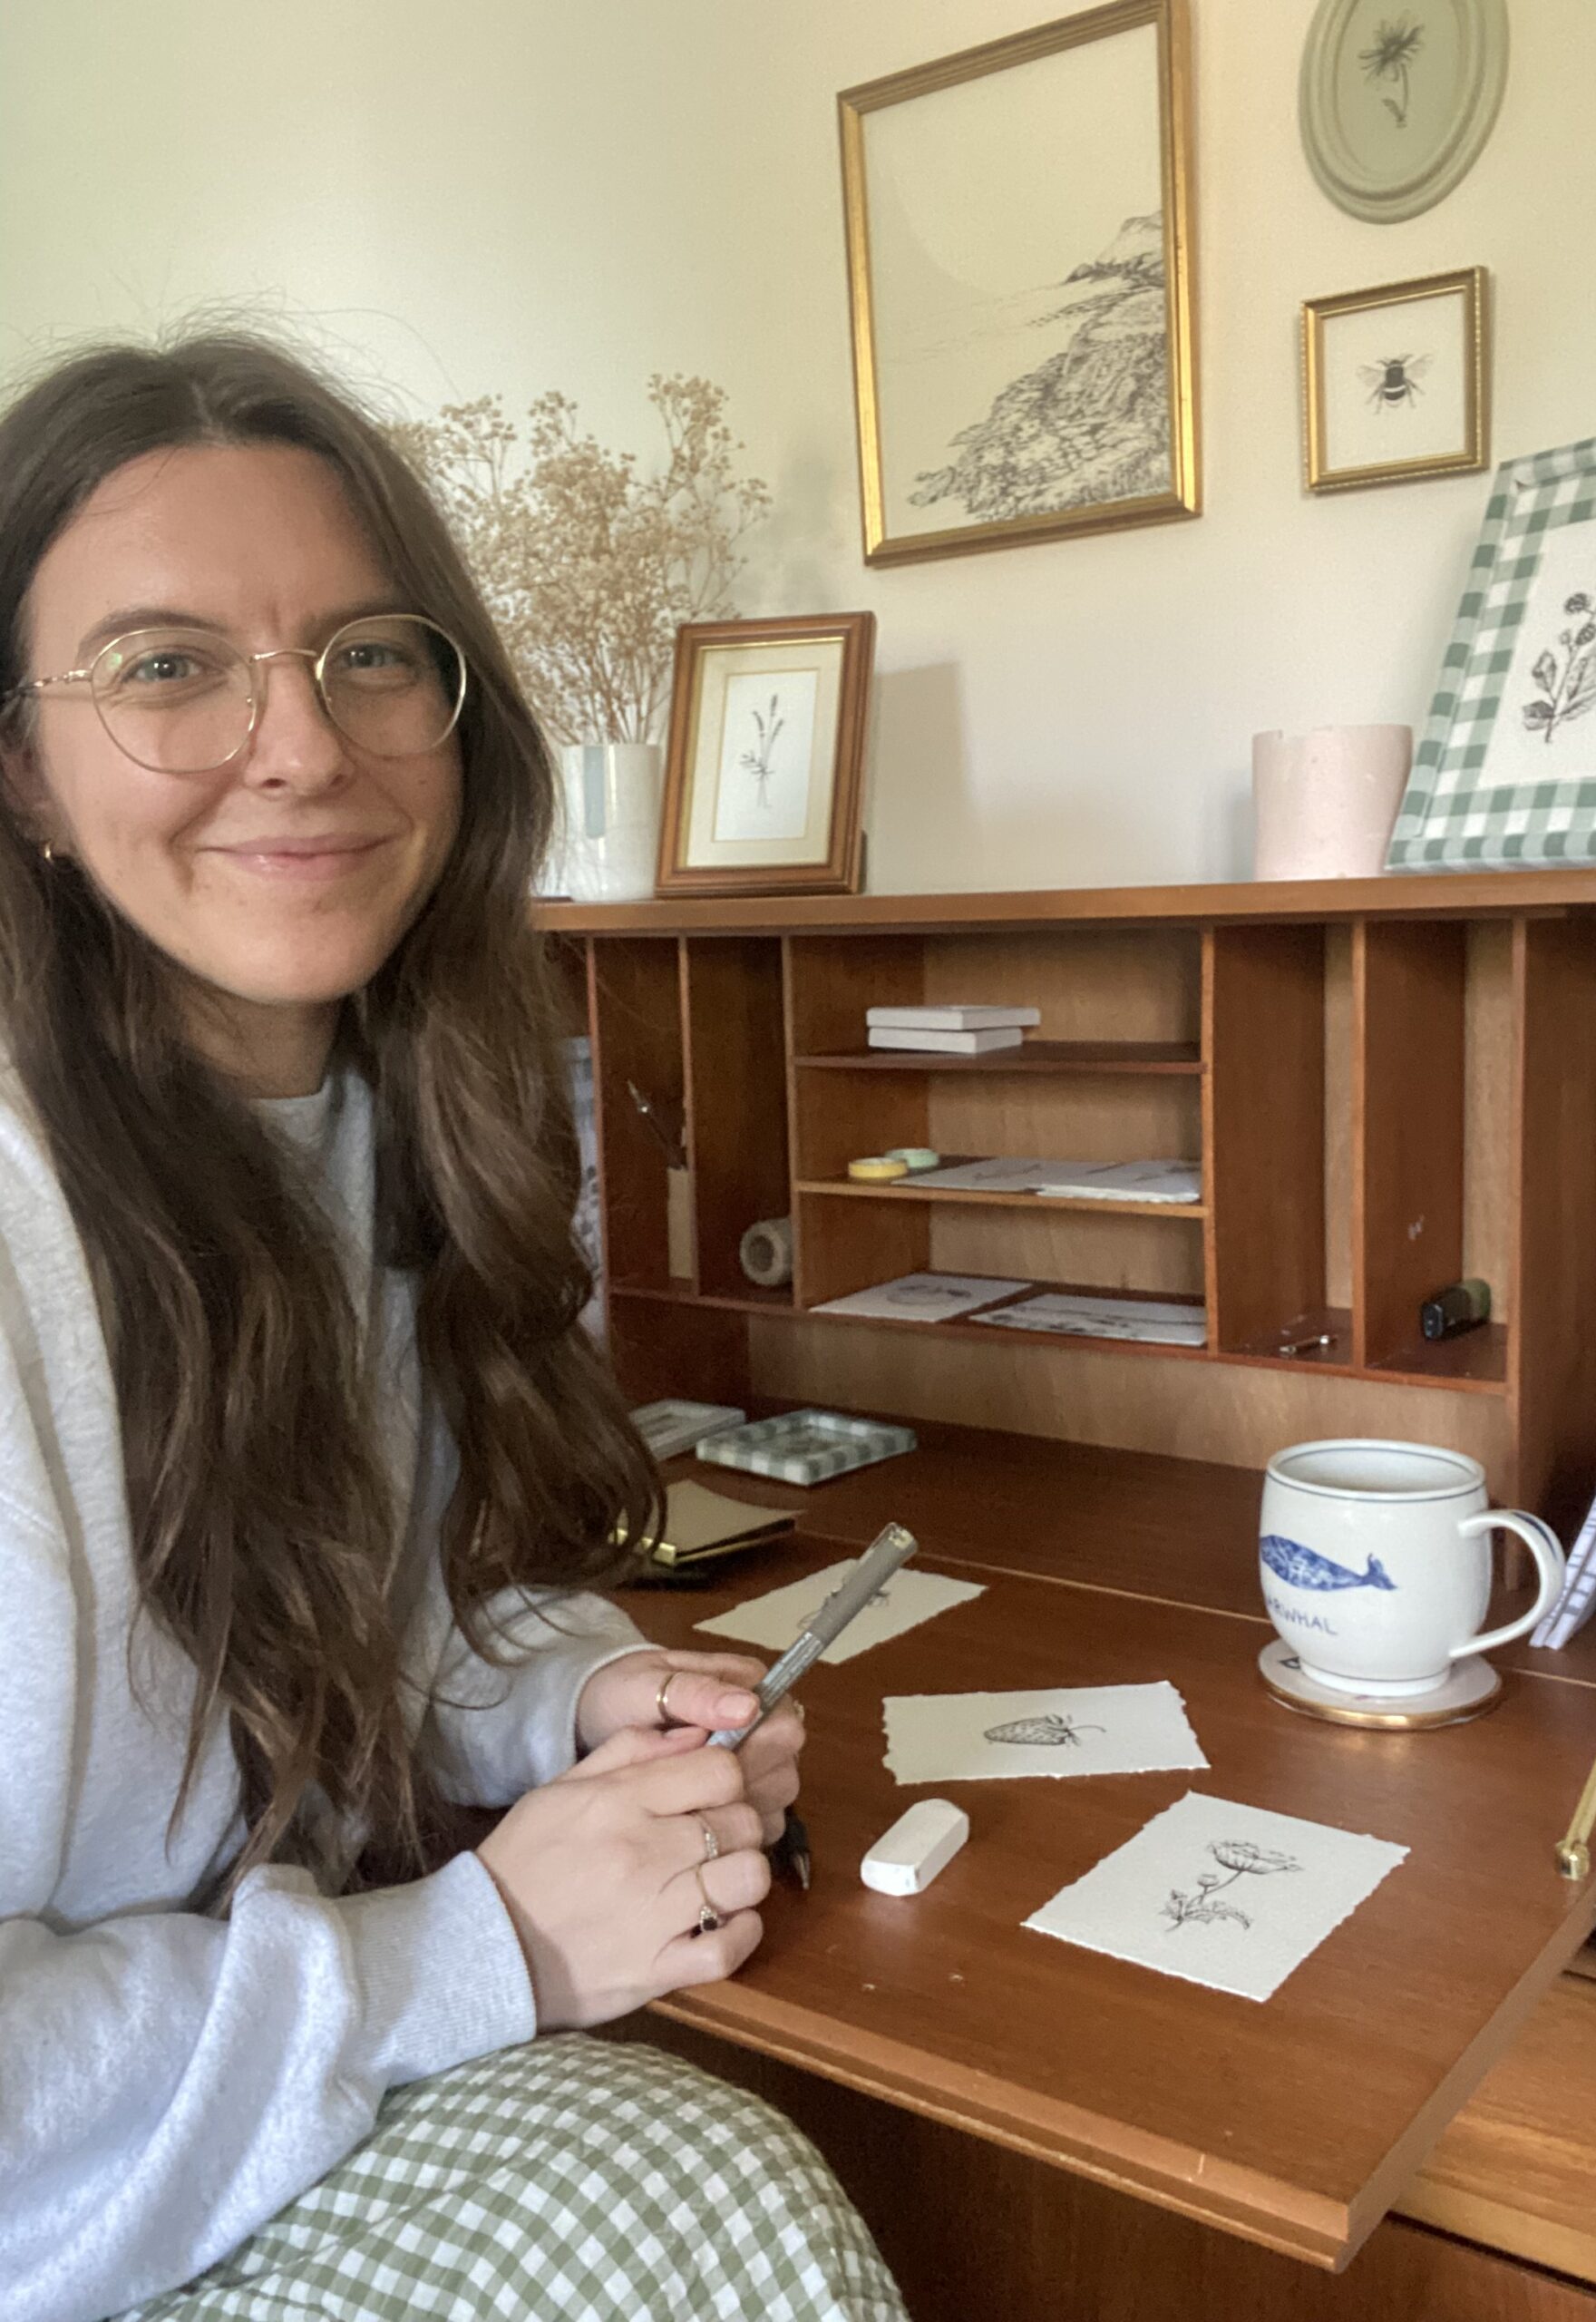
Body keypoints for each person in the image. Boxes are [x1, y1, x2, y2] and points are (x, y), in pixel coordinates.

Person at [0, 330, 906, 2322]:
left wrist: (573, 1697)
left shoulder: (377, 1117)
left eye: (367, 652)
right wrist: (480, 1944)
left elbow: (363, 1632)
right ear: (25, 775)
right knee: (695, 2186)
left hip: (243, 2075)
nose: (305, 743)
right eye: (166, 666)